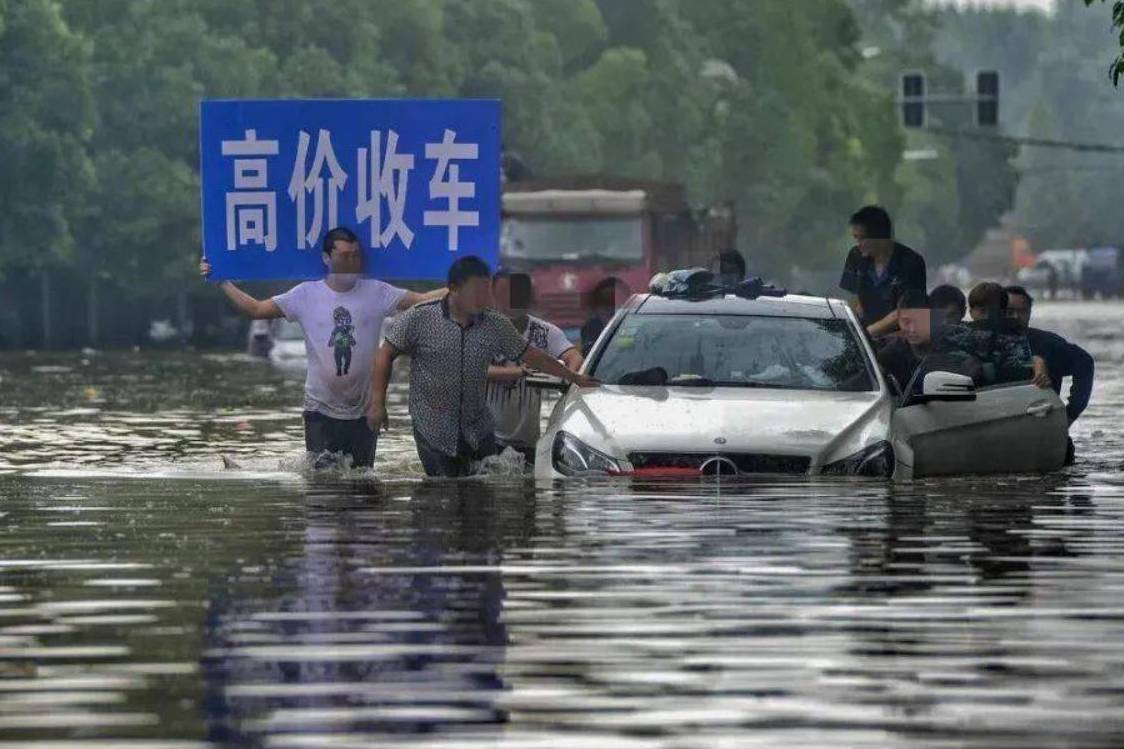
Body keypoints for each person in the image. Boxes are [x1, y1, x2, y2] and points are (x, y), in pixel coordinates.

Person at [200, 226, 446, 469]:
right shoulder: (305, 295)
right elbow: (256, 310)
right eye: (344, 256)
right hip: (320, 409)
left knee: (362, 483)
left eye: (356, 256)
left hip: (364, 409)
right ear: (326, 258)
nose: (351, 263)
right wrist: (222, 281)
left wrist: (466, 283)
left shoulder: (377, 292)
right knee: (322, 485)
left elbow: (421, 300)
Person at [369, 256, 598, 478]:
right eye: (476, 290)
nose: (484, 297)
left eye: (486, 290)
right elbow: (386, 353)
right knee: (442, 491)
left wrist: (573, 377)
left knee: (484, 490)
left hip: (477, 428)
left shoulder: (495, 323)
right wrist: (378, 402)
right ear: (453, 288)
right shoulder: (419, 318)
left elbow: (531, 354)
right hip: (433, 427)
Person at [485, 271, 583, 465]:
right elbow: (472, 370)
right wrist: (519, 372)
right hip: (486, 439)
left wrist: (567, 378)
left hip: (528, 442)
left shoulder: (544, 332)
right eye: (504, 294)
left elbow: (574, 356)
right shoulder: (479, 330)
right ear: (492, 295)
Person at [1005, 285, 1094, 464]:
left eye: (1021, 311)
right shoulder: (981, 342)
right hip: (997, 426)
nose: (1015, 317)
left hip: (1044, 430)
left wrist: (1069, 415)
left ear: (1029, 313)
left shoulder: (1047, 344)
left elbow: (1085, 363)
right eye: (1009, 311)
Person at [938, 282, 1049, 388]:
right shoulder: (960, 334)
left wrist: (1037, 363)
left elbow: (1024, 366)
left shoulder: (1014, 336)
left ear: (1003, 313)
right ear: (971, 312)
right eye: (982, 311)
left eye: (993, 312)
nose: (988, 317)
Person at [839, 205, 926, 339]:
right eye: (856, 238)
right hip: (862, 336)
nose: (858, 244)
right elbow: (851, 297)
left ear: (882, 238)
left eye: (862, 239)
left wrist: (867, 333)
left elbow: (908, 311)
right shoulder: (855, 256)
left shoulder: (911, 262)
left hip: (898, 339)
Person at [580, 277, 620, 356]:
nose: (609, 310)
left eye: (612, 304)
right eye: (605, 304)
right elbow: (588, 353)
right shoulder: (591, 327)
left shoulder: (631, 325)